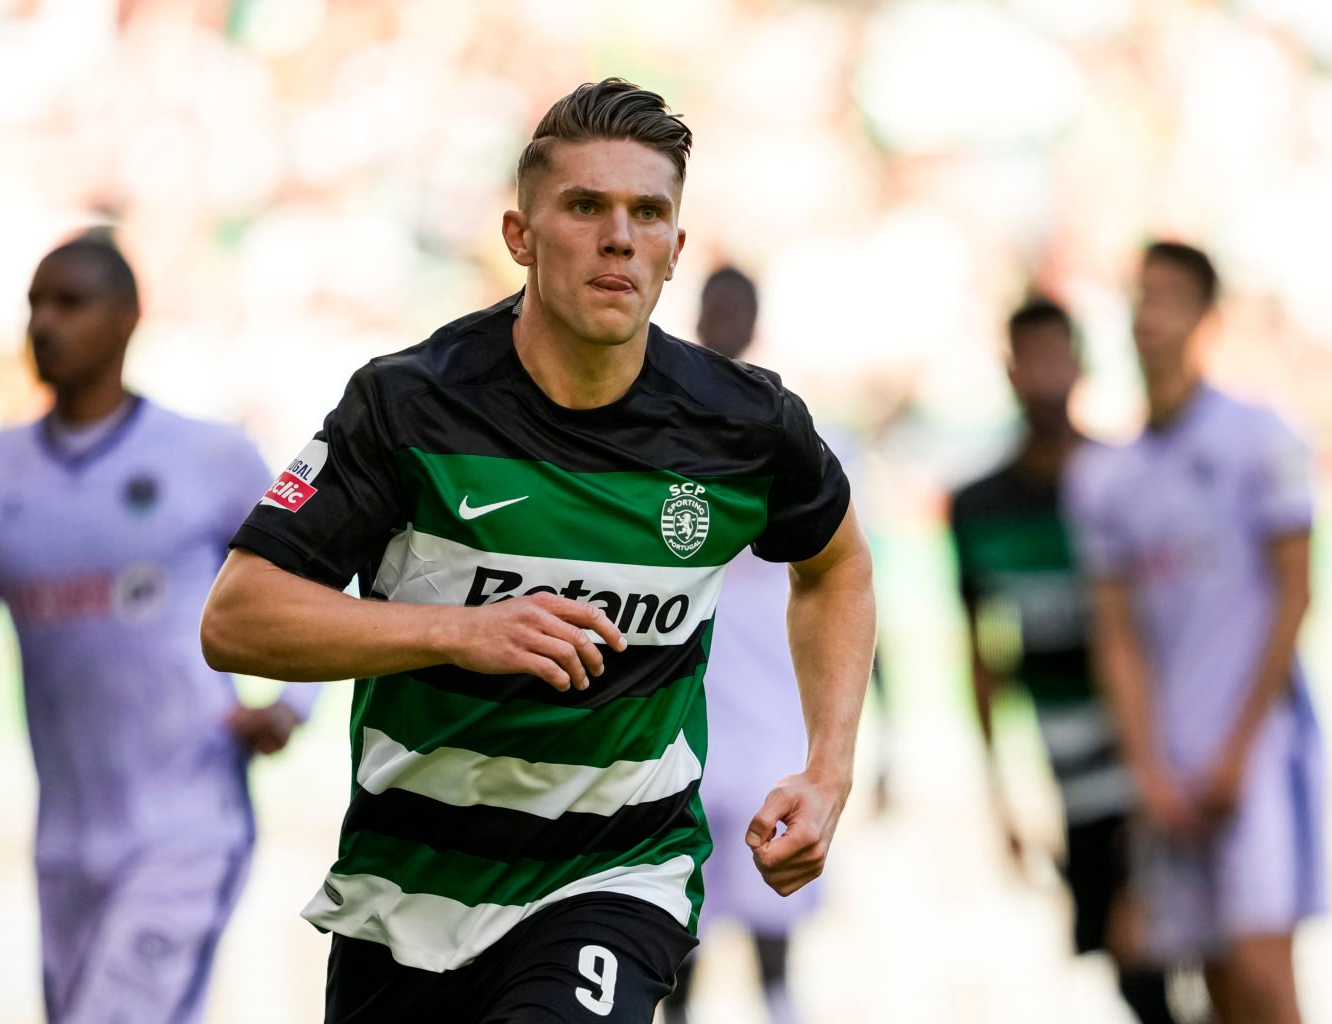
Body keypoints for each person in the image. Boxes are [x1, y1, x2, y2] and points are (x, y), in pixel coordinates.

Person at [200, 79, 876, 1024]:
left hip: (615, 874)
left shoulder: (744, 425)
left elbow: (836, 564)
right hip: (407, 891)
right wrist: (456, 633)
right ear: (520, 236)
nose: (620, 237)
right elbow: (236, 617)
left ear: (677, 249)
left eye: (649, 213)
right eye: (586, 207)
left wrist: (829, 767)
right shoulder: (408, 406)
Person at [0, 236, 317, 1023]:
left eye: (69, 303)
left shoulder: (209, 457)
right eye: (33, 306)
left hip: (189, 826)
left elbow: (305, 591)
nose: (43, 324)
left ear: (126, 319)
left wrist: (289, 707)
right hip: (67, 846)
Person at [1067, 242, 1322, 1024]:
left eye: (1170, 296)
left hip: (1256, 752)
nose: (1151, 315)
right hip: (1170, 768)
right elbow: (1115, 633)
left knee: (1262, 968)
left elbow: (1294, 594)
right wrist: (1150, 765)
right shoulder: (1106, 476)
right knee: (1211, 972)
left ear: (1205, 316)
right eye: (1141, 296)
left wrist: (1238, 751)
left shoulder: (1260, 438)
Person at [950, 298, 1176, 1024]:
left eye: (1057, 358)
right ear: (1009, 372)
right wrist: (1001, 796)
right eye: (1031, 361)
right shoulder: (979, 504)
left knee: (1157, 955)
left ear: (1080, 364)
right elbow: (981, 653)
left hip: (1154, 762)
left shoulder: (1126, 478)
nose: (1045, 378)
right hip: (1070, 771)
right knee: (1128, 964)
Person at [659, 266, 820, 1024]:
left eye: (737, 309)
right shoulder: (660, 434)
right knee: (677, 917)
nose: (724, 321)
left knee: (773, 916)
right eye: (714, 306)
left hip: (774, 723)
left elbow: (846, 593)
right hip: (685, 719)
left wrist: (855, 740)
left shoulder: (801, 438)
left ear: (755, 321)